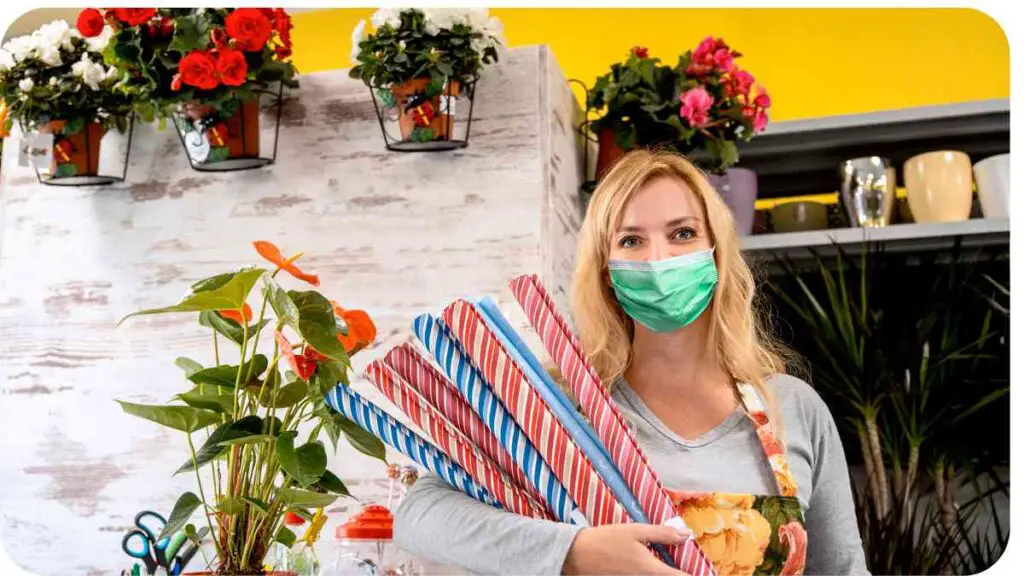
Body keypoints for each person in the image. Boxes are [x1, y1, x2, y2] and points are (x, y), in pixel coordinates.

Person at [393, 150, 868, 575]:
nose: (659, 260)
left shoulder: (793, 407)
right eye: (631, 241)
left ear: (717, 253)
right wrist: (573, 551)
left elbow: (842, 570)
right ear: (605, 269)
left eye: (683, 233)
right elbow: (421, 515)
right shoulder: (560, 407)